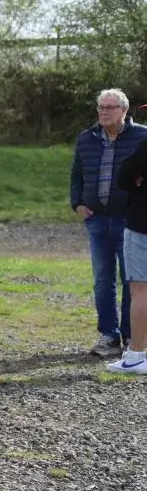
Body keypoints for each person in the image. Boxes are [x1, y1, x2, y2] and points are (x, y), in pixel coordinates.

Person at [70, 88, 147, 357]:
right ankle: (108, 335)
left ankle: (131, 336)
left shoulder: (142, 136)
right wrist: (77, 203)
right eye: (101, 107)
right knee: (103, 279)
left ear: (124, 111)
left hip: (130, 219)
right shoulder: (86, 138)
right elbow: (77, 174)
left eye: (110, 107)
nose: (104, 112)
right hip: (97, 219)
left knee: (132, 279)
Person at [108, 135, 147, 374]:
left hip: (142, 225)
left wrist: (137, 180)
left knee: (141, 290)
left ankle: (136, 355)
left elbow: (123, 177)